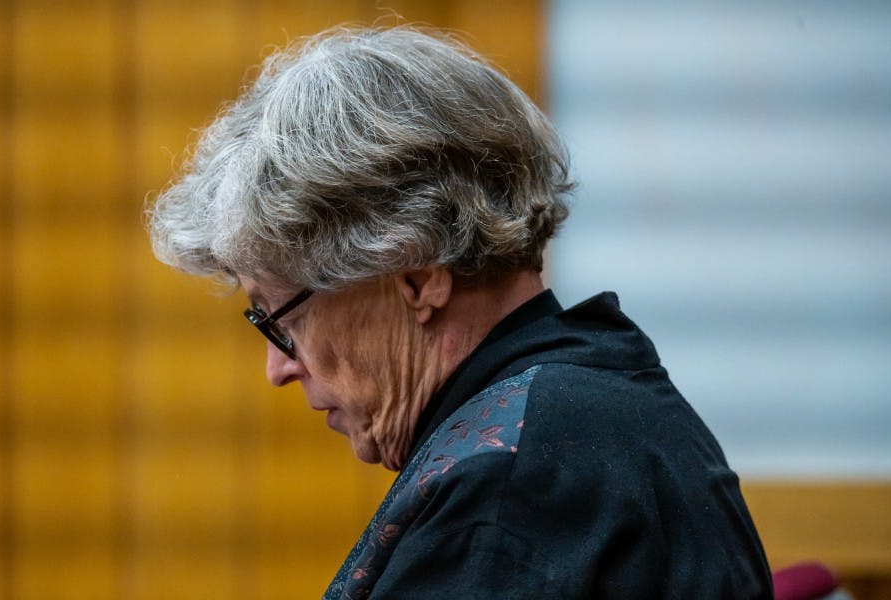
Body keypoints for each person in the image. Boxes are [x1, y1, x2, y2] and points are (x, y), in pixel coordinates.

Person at [147, 25, 772, 599]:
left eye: (284, 319)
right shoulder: (582, 407)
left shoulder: (513, 483)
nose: (276, 369)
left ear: (417, 279)